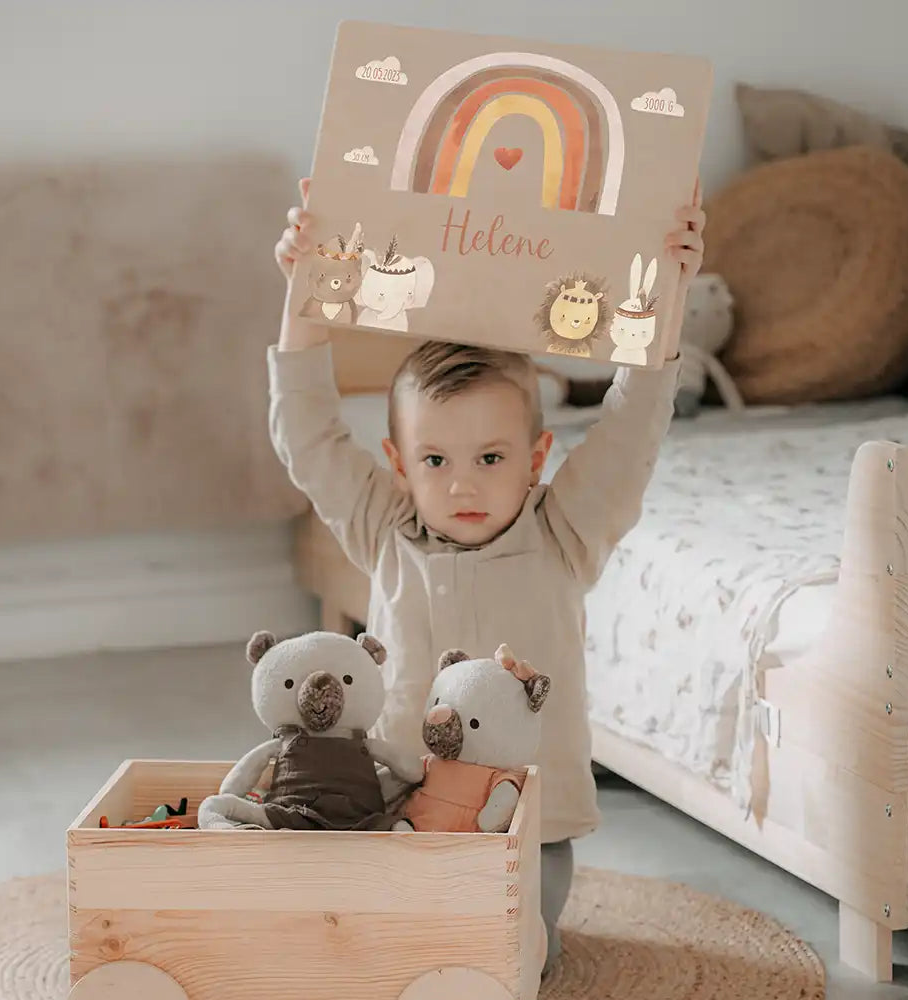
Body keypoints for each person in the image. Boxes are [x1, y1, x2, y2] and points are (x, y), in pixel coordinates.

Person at [270, 177, 705, 971]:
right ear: (398, 464)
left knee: (511, 953)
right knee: (397, 943)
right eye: (436, 460)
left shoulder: (563, 531)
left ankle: (525, 945)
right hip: (407, 798)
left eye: (491, 458)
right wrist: (305, 298)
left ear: (537, 459)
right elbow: (309, 434)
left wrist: (667, 294)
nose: (463, 484)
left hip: (529, 815)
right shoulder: (387, 529)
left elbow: (633, 425)